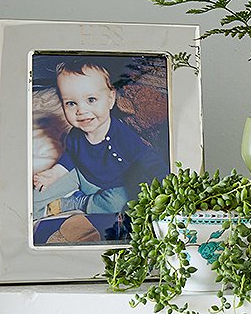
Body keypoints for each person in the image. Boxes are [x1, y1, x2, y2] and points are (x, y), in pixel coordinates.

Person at [33, 59, 168, 216]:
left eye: (91, 100)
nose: (81, 110)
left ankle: (76, 203)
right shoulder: (75, 134)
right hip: (80, 174)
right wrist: (55, 173)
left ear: (110, 99)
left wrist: (164, 182)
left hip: (113, 186)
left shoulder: (123, 136)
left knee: (121, 202)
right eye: (71, 103)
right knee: (37, 195)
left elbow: (149, 159)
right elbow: (70, 155)